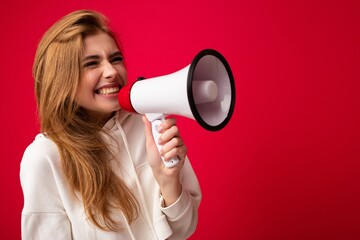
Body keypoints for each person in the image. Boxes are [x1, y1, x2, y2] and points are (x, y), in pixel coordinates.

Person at [20, 9, 201, 240]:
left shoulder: (145, 126)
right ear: (62, 78)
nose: (111, 71)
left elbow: (185, 229)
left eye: (116, 59)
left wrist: (169, 181)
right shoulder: (45, 157)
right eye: (92, 64)